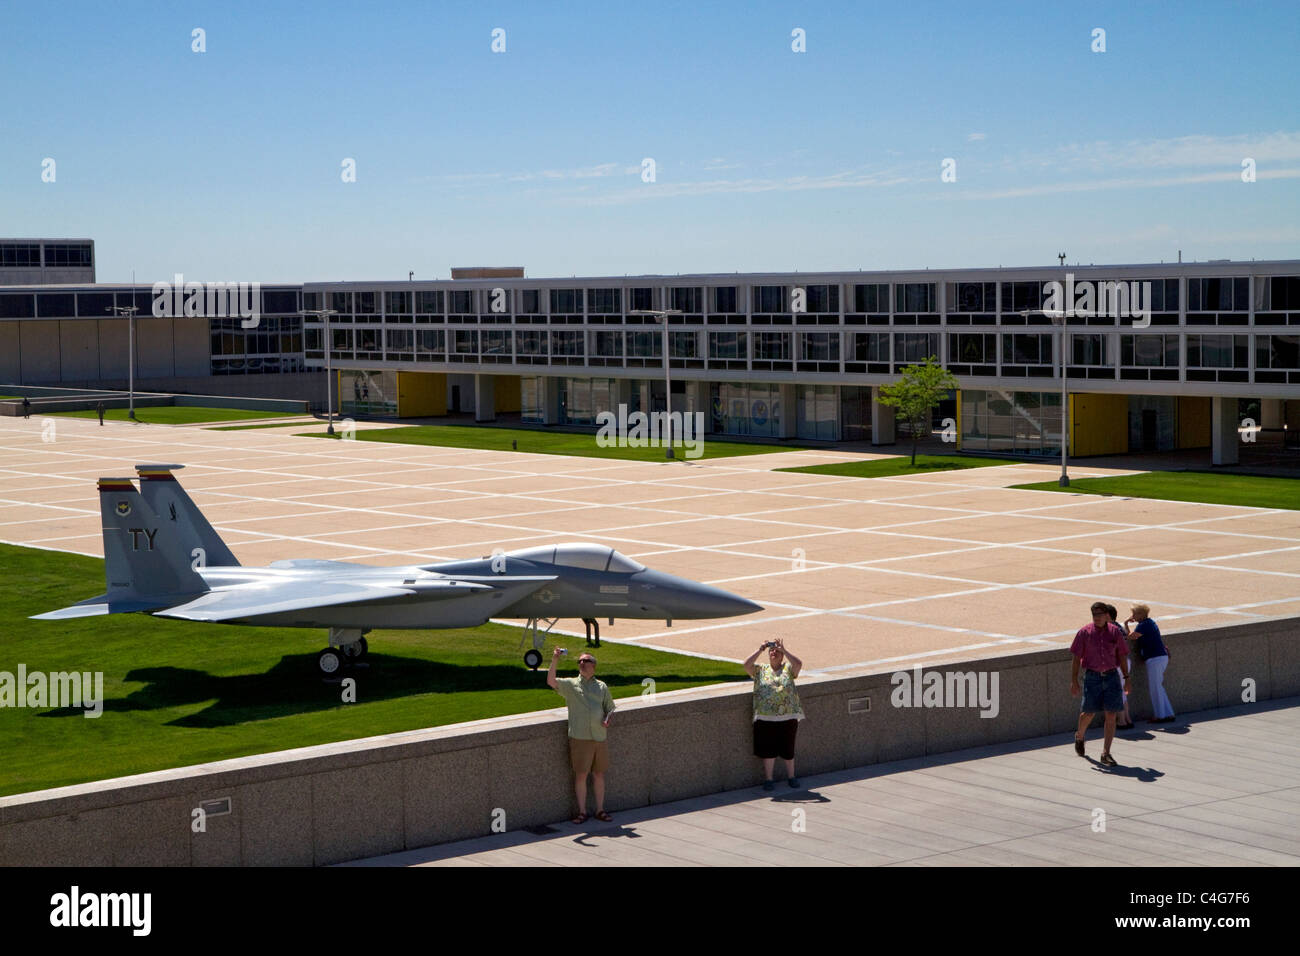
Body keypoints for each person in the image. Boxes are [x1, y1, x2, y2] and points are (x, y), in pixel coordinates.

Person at [547, 647, 615, 824]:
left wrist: (607, 719)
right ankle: (582, 812)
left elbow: (610, 708)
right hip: (580, 737)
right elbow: (551, 681)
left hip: (599, 737)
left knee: (599, 774)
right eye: (580, 662)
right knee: (581, 775)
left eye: (586, 661)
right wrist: (555, 659)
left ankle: (600, 810)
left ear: (594, 666)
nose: (582, 664)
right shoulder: (571, 685)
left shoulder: (601, 686)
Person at [1070, 601, 1130, 766]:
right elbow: (1076, 658)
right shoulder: (1084, 633)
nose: (1096, 618)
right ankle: (1080, 736)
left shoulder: (1115, 632)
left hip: (1111, 677)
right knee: (1088, 713)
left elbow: (1123, 655)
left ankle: (1106, 753)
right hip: (1092, 678)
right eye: (1094, 615)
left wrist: (1127, 678)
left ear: (1106, 616)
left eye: (1100, 615)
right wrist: (1074, 680)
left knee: (1111, 714)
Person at [743, 638, 804, 790]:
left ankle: (792, 777)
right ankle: (769, 779)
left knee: (788, 749)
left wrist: (785, 650)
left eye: (777, 652)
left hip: (787, 715)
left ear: (782, 655)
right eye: (772, 651)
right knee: (768, 750)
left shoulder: (788, 669)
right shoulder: (760, 670)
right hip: (765, 716)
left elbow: (799, 664)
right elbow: (745, 665)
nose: (774, 653)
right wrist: (760, 649)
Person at [1126, 604, 1175, 723]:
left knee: (1155, 688)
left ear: (1141, 614)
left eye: (1135, 613)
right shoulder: (1149, 623)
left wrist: (1126, 623)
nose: (1133, 616)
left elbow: (1131, 637)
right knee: (1159, 686)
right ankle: (1168, 713)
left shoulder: (1143, 625)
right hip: (1160, 657)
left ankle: (1160, 716)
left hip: (1155, 658)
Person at [1107, 604, 1135, 730]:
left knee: (1117, 692)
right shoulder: (1119, 627)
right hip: (1125, 661)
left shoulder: (1109, 629)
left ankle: (1122, 720)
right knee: (1123, 692)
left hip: (1117, 663)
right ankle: (1128, 718)